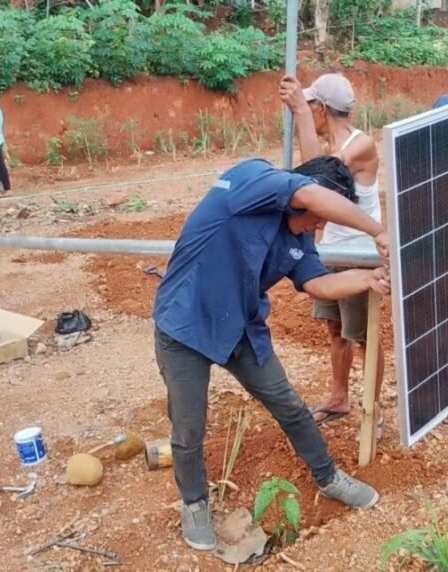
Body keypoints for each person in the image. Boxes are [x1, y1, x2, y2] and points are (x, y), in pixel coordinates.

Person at [153, 155, 390, 551]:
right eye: (320, 214)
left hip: (240, 328)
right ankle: (194, 503)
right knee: (189, 426)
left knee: (290, 405)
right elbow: (308, 194)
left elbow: (316, 284)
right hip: (185, 324)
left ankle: (328, 477)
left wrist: (366, 278)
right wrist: (377, 230)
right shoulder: (252, 180)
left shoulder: (300, 239)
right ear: (307, 192)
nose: (320, 225)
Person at [279, 72, 385, 437]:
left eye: (311, 106)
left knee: (365, 335)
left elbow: (316, 181)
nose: (308, 111)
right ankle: (339, 398)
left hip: (360, 255)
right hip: (332, 250)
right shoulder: (332, 145)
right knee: (336, 330)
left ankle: (373, 410)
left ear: (322, 108)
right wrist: (302, 114)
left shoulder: (361, 145)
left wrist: (300, 114)